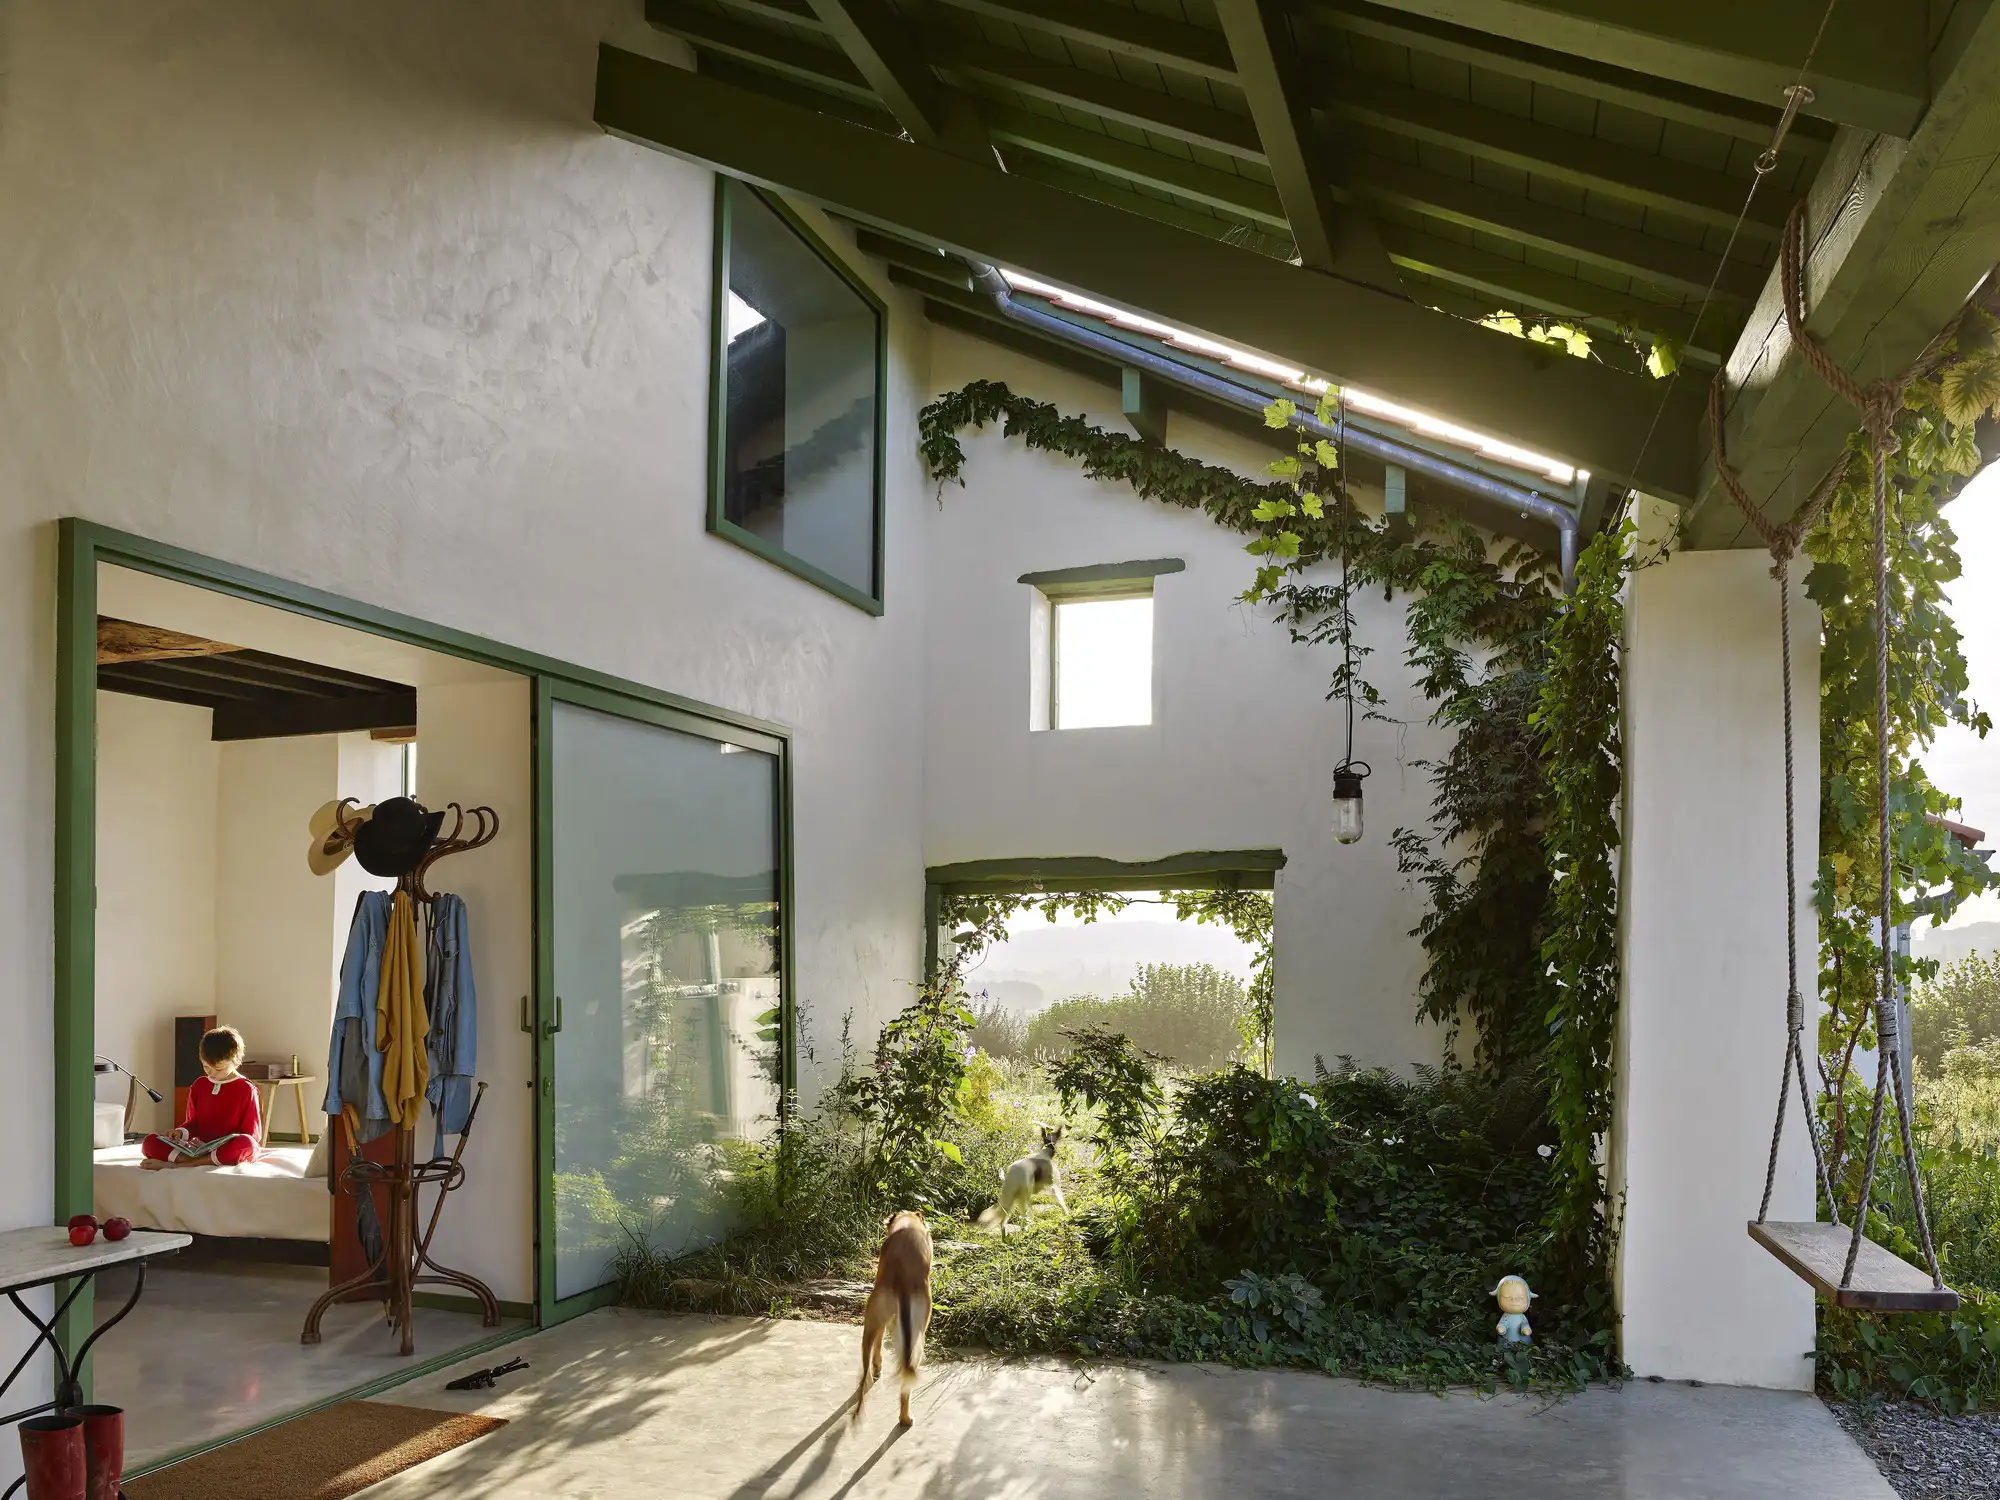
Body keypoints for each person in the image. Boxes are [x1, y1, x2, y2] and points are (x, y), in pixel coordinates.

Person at [140, 1026, 261, 1169]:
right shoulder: (199, 1085)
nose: (212, 1073)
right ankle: (190, 1160)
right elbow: (193, 1122)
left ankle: (182, 1165)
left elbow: (252, 1134)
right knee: (150, 1141)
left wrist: (229, 1143)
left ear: (236, 1061)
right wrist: (180, 1132)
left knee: (247, 1143)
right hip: (199, 1148)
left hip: (227, 1147)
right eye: (206, 1067)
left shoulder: (246, 1088)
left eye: (219, 1069)